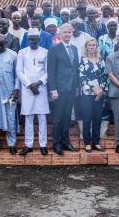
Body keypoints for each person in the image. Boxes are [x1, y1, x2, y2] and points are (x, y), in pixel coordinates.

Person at [48, 24, 80, 155]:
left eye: (69, 32)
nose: (67, 34)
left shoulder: (74, 49)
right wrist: (53, 89)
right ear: (60, 34)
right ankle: (56, 143)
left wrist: (76, 87)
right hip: (60, 89)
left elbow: (75, 69)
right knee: (58, 118)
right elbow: (51, 70)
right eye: (65, 32)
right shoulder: (54, 49)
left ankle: (65, 142)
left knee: (67, 118)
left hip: (71, 88)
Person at [16, 28, 49, 156]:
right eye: (29, 39)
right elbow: (19, 71)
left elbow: (48, 71)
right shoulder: (22, 52)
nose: (31, 42)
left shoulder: (45, 52)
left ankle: (43, 145)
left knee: (42, 118)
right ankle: (28, 145)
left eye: (34, 40)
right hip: (28, 89)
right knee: (28, 118)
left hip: (41, 88)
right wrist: (30, 85)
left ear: (38, 40)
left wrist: (39, 83)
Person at [79, 38, 106, 153]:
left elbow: (105, 76)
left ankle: (96, 142)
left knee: (97, 118)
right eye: (89, 45)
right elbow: (82, 77)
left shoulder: (101, 60)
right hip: (87, 93)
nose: (92, 47)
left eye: (94, 45)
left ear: (96, 47)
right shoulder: (82, 60)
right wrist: (94, 89)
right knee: (87, 118)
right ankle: (87, 143)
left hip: (99, 94)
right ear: (86, 47)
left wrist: (101, 90)